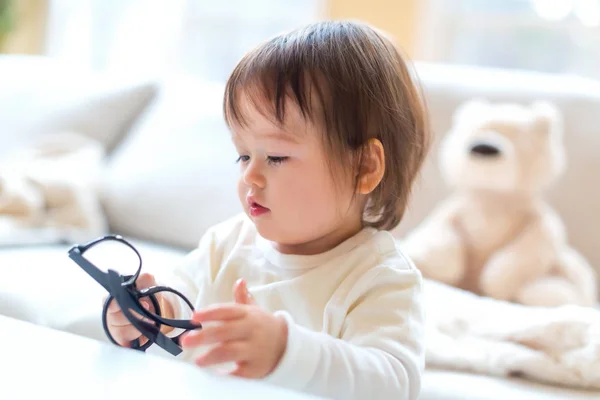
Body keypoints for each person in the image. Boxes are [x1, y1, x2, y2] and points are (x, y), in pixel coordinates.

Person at [106, 19, 430, 400]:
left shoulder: (379, 277)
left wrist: (286, 351)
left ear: (364, 167)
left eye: (276, 157)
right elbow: (180, 299)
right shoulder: (227, 243)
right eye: (243, 155)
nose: (251, 176)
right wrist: (147, 312)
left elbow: (394, 384)